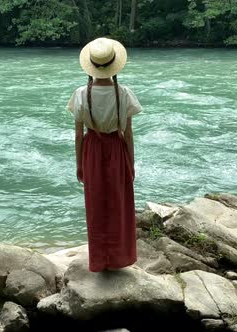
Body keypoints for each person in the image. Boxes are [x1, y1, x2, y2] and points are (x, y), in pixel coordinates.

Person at [66, 37, 143, 272]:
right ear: (114, 65)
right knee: (119, 203)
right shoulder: (124, 93)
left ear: (90, 65)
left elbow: (78, 135)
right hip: (116, 149)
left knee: (95, 204)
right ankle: (119, 259)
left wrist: (79, 164)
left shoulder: (80, 94)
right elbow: (128, 134)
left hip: (92, 149)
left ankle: (99, 261)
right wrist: (131, 162)